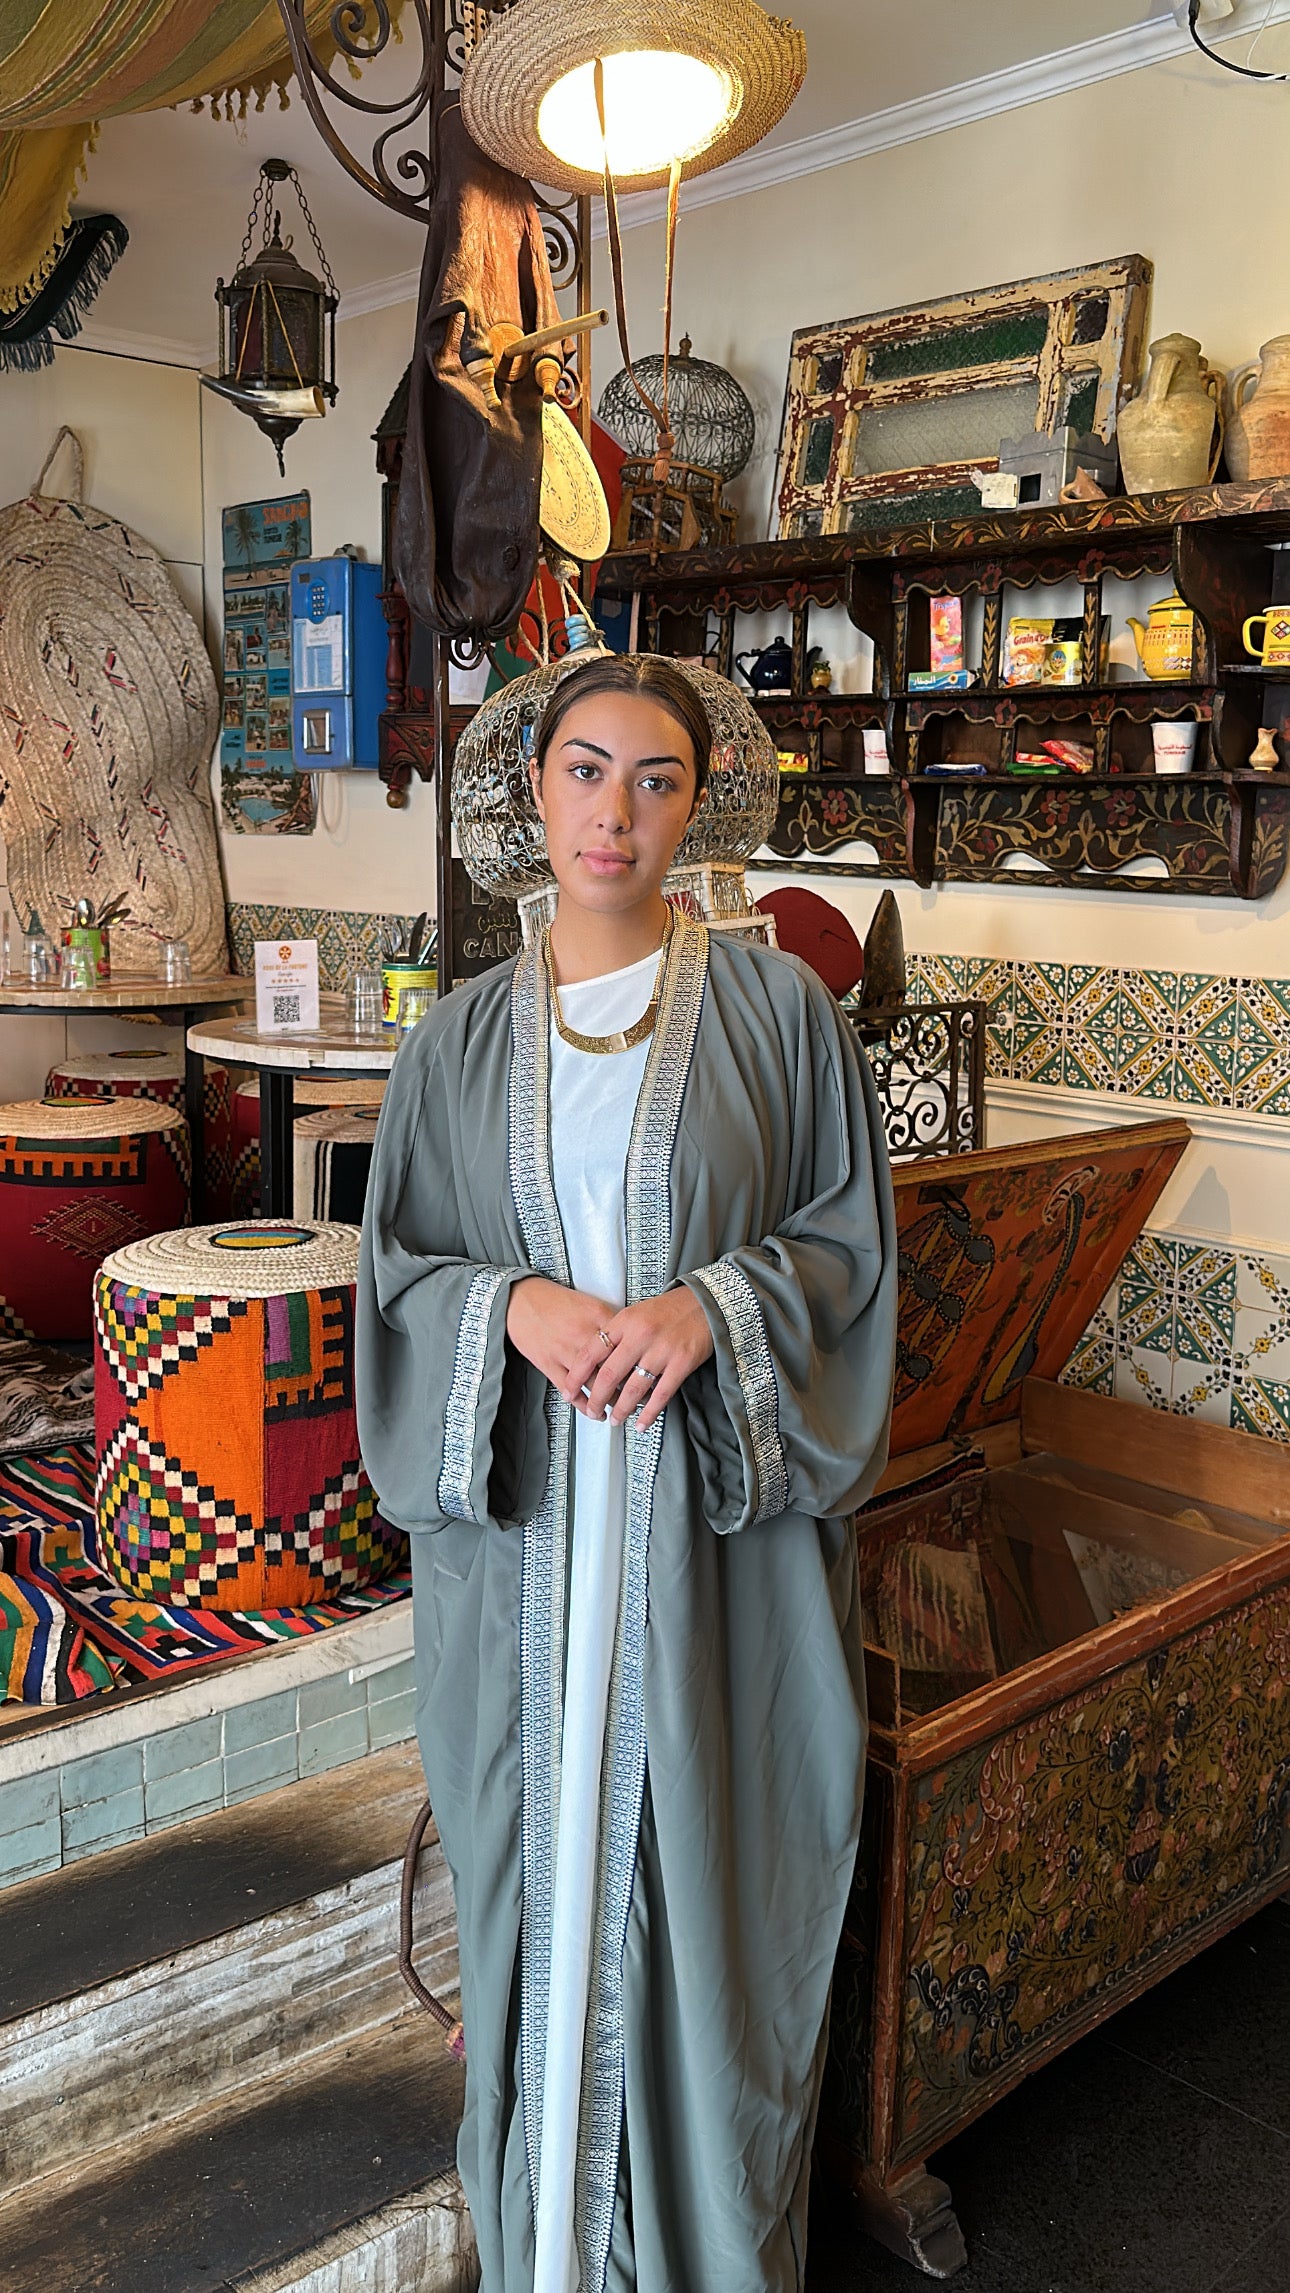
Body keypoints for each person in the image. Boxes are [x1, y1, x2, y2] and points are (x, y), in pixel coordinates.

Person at [356, 653, 897, 2293]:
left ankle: (700, 2253)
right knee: (536, 1881)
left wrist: (709, 1307)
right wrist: (509, 1305)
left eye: (655, 779)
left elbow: (848, 1254)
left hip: (710, 1556)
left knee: (709, 1890)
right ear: (533, 789)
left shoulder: (781, 1017)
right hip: (527, 1559)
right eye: (585, 771)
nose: (615, 812)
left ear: (697, 801)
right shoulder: (454, 1045)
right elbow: (397, 1276)